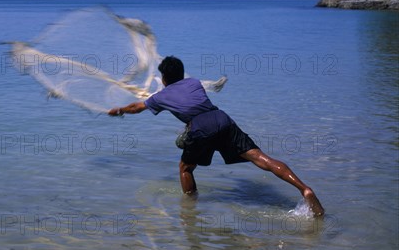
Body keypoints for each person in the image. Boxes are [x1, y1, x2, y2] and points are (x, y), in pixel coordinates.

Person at [108, 56, 325, 217]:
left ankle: (190, 213)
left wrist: (119, 110)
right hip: (221, 118)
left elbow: (137, 107)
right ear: (182, 74)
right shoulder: (193, 82)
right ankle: (304, 189)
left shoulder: (160, 96)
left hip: (200, 127)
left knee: (185, 168)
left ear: (163, 78)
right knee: (260, 158)